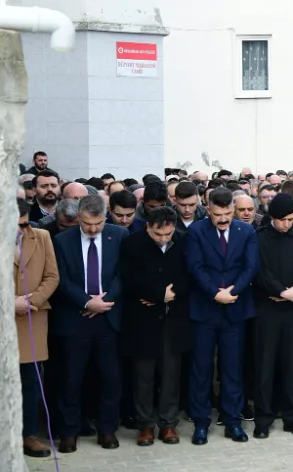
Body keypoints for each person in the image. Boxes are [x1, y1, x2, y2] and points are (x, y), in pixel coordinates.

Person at [51, 194, 128, 452]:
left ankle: (107, 429)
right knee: (71, 378)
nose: (93, 229)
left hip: (108, 318)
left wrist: (105, 300)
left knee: (111, 377)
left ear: (105, 217)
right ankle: (69, 431)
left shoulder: (118, 236)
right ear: (79, 217)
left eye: (98, 223)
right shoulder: (62, 241)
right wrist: (86, 302)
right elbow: (60, 280)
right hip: (75, 319)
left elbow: (124, 273)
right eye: (87, 224)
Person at [186, 187, 260, 445]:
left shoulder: (246, 231)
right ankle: (201, 422)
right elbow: (195, 267)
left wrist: (232, 291)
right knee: (201, 369)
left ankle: (232, 421)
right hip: (205, 310)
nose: (224, 218)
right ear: (208, 210)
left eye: (228, 213)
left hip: (235, 309)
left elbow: (251, 267)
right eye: (219, 214)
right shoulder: (196, 231)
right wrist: (214, 293)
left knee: (233, 368)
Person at [119, 206, 191, 446]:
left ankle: (168, 424)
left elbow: (189, 275)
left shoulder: (183, 241)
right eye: (157, 234)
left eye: (167, 234)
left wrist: (172, 294)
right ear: (148, 226)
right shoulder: (132, 244)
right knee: (143, 376)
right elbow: (128, 278)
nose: (163, 238)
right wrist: (158, 294)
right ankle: (145, 425)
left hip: (173, 318)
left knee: (171, 375)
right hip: (142, 319)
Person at [251, 193, 293, 439]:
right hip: (267, 309)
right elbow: (259, 271)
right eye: (281, 220)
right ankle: (263, 418)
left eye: (290, 219)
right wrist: (280, 290)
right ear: (271, 218)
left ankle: (292, 417)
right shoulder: (259, 239)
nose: (286, 224)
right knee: (265, 365)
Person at [14, 198, 60, 458]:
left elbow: (52, 276)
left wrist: (33, 300)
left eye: (23, 224)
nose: (20, 231)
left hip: (32, 318)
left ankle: (29, 434)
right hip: (6, 318)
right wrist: (9, 303)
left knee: (31, 381)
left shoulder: (41, 236)